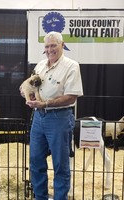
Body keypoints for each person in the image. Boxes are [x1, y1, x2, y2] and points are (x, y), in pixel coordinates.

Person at [20, 31, 83, 200]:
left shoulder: (71, 66)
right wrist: (29, 95)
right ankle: (40, 197)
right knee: (35, 161)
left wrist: (45, 103)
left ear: (62, 45)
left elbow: (71, 97)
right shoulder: (40, 65)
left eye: (53, 45)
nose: (49, 49)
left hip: (59, 118)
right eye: (47, 46)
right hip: (38, 119)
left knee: (60, 165)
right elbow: (32, 87)